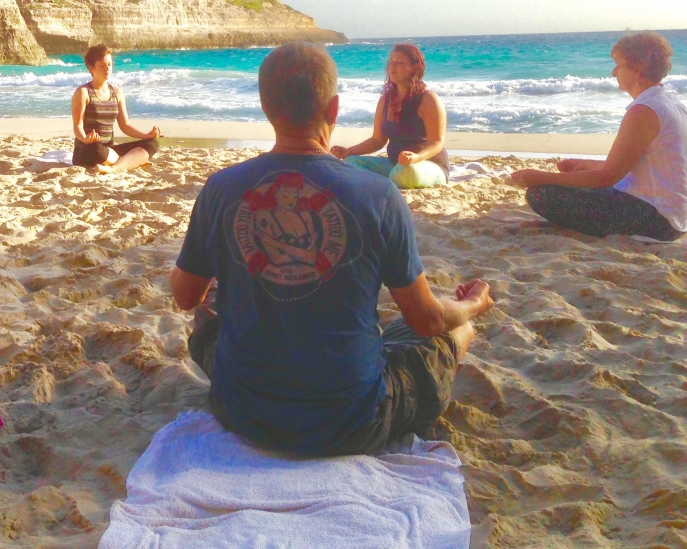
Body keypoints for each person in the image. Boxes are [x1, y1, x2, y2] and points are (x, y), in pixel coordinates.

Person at [170, 42, 494, 456]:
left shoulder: (221, 188)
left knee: (209, 316)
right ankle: (462, 327)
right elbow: (428, 319)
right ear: (334, 109)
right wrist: (472, 307)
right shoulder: (378, 195)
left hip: (243, 409)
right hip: (353, 419)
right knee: (448, 330)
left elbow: (184, 296)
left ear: (266, 107)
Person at [509, 32, 687, 241]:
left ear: (637, 69)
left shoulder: (644, 110)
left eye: (619, 64)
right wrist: (587, 164)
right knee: (574, 184)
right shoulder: (668, 103)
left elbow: (607, 178)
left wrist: (539, 177)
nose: (613, 72)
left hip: (659, 221)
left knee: (541, 193)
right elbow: (639, 165)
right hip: (677, 216)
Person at [331, 43, 450, 188]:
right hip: (395, 166)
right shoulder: (385, 100)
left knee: (407, 171)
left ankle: (384, 183)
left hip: (427, 166)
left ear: (415, 67)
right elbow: (377, 140)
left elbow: (436, 142)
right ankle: (386, 183)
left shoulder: (428, 99)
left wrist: (416, 158)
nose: (393, 66)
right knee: (352, 162)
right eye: (391, 62)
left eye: (399, 63)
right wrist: (349, 151)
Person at [71, 44, 161, 174]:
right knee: (96, 148)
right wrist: (85, 139)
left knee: (152, 143)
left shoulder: (116, 92)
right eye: (102, 65)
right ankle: (130, 162)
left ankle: (114, 167)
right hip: (88, 150)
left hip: (109, 151)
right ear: (91, 69)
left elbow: (125, 125)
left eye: (109, 64)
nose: (107, 69)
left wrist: (146, 135)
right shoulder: (83, 92)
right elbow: (77, 125)